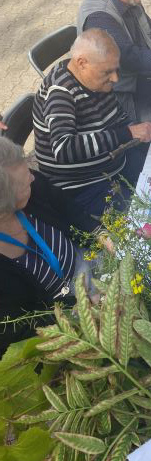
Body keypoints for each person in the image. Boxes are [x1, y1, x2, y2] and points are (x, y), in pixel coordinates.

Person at [33, 29, 151, 233]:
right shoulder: (60, 93)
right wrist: (128, 133)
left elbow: (116, 117)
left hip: (113, 164)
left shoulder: (94, 81)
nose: (116, 78)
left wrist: (135, 129)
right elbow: (64, 149)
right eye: (108, 72)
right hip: (84, 185)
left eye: (115, 70)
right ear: (82, 63)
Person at [0, 137, 79, 355]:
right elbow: (21, 330)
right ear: (6, 205)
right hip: (60, 321)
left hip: (84, 265)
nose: (33, 178)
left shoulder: (32, 188)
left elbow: (70, 208)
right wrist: (78, 309)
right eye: (26, 181)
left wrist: (100, 235)